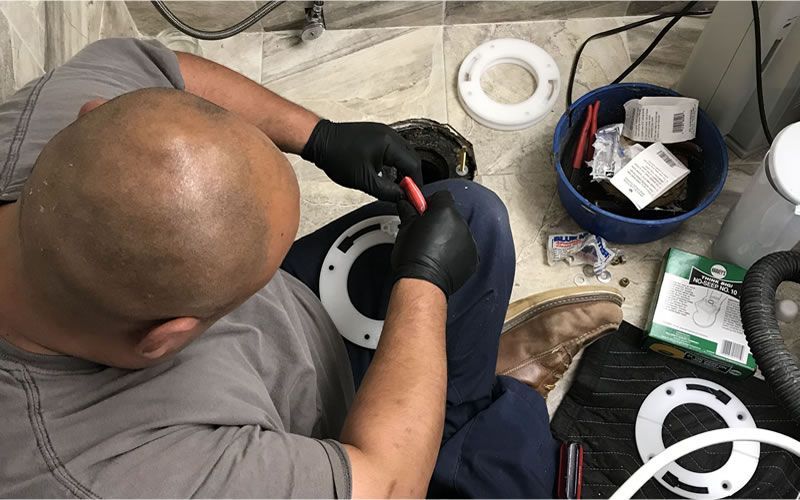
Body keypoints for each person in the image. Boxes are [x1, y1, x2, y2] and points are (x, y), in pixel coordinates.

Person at [0, 38, 621, 498]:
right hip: (325, 440)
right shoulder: (116, 469)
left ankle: (472, 393)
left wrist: (319, 135)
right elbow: (385, 485)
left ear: (93, 114)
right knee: (514, 462)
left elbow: (164, 68)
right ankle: (471, 408)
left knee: (472, 217)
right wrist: (423, 288)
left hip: (288, 345)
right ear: (165, 337)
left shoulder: (33, 133)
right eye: (255, 279)